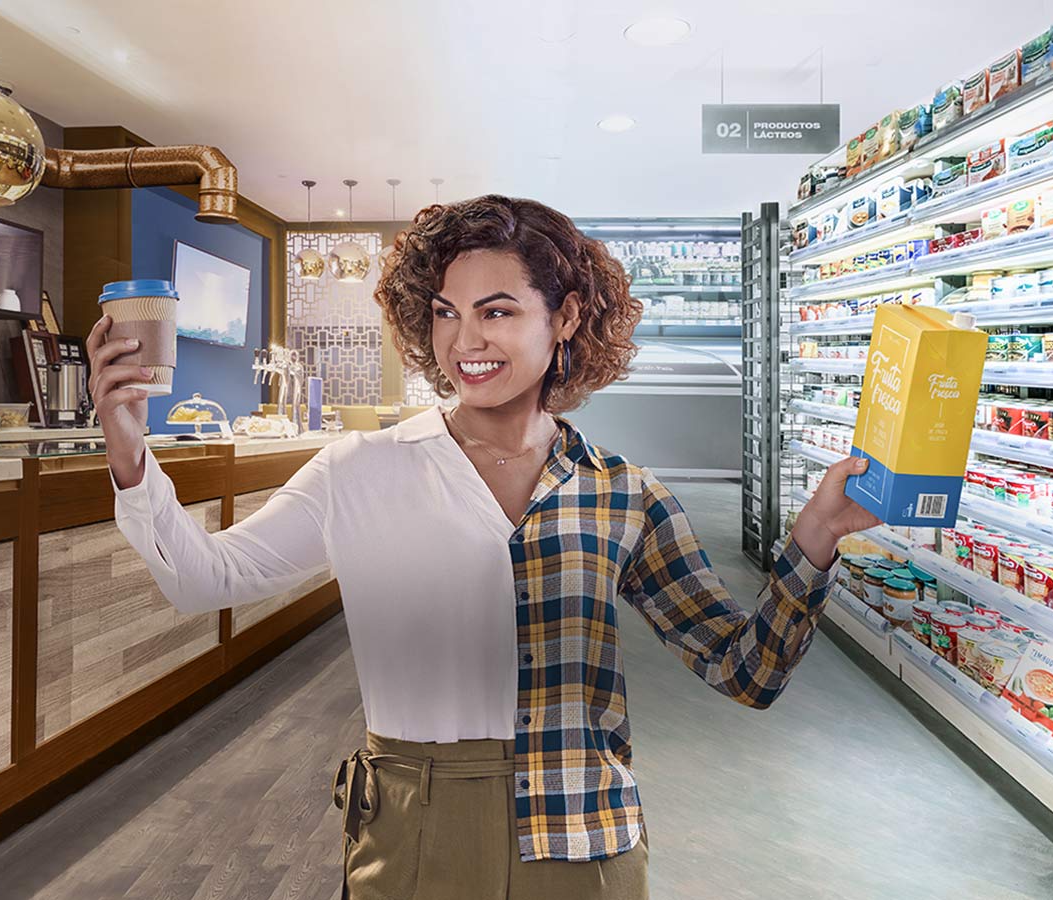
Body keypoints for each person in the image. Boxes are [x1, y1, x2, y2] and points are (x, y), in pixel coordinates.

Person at [91, 195, 880, 900]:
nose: (464, 340)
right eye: (444, 312)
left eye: (497, 312)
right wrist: (129, 450)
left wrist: (814, 539)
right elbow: (205, 580)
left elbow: (746, 670)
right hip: (412, 832)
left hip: (586, 835)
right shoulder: (360, 469)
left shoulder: (622, 492)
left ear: (566, 317)